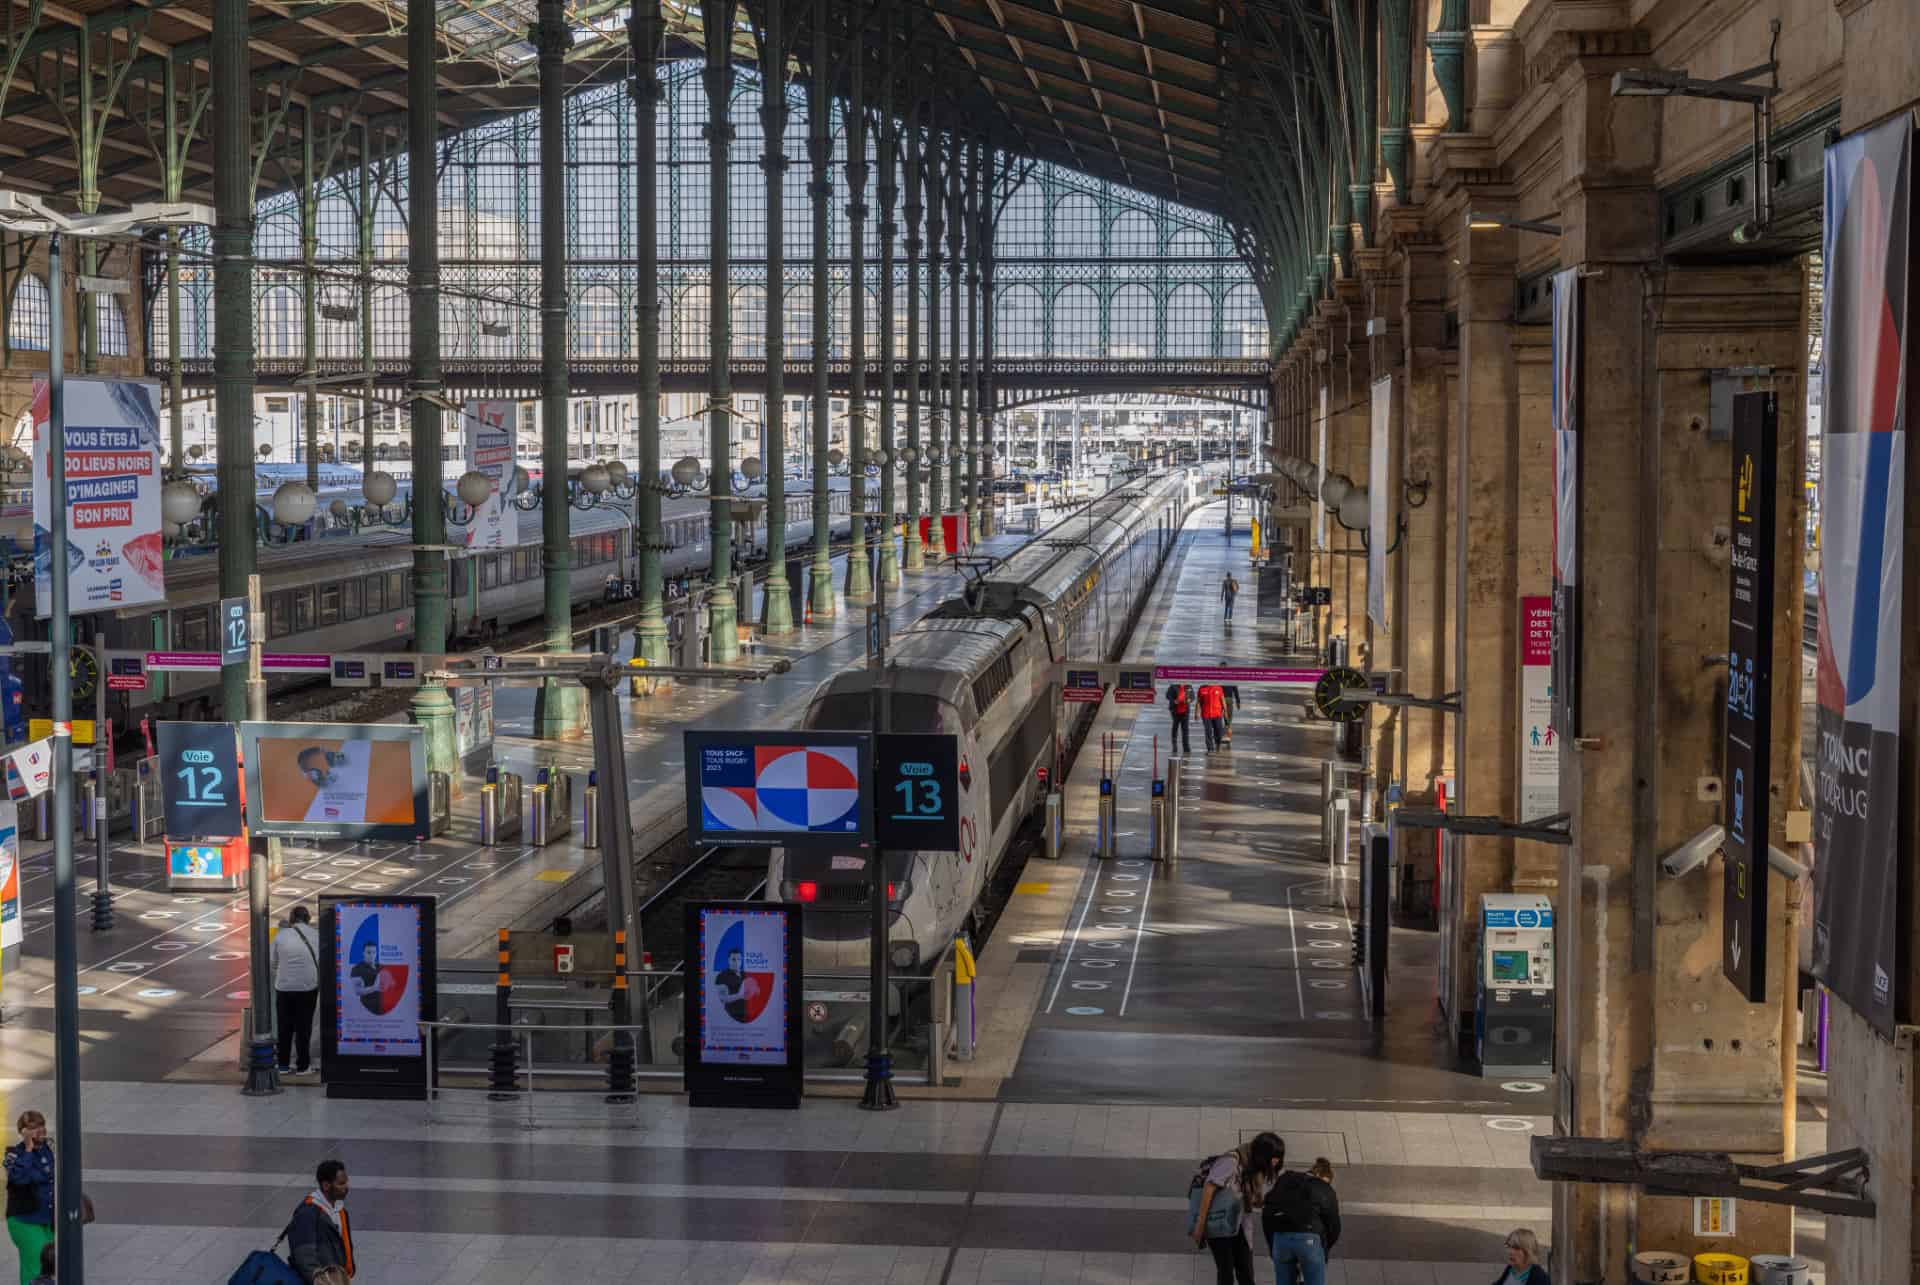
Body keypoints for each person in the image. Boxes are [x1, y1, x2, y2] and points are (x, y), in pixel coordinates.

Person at [1189, 1132, 1283, 1285]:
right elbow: (1209, 1187)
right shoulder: (1231, 1161)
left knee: (1246, 1272)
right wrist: (1200, 1226)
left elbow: (1248, 1200)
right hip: (1220, 1223)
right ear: (1262, 1155)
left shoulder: (1253, 1168)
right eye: (1271, 1161)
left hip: (1238, 1224)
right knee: (1226, 1273)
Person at [1264, 1156, 1341, 1285]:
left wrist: (1273, 1246)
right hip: (1310, 1241)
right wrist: (1324, 1251)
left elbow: (1267, 1212)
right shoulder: (1325, 1189)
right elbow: (1334, 1227)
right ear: (1321, 1176)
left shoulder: (1286, 1179)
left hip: (1281, 1239)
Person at [3, 1112, 52, 1285]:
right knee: (37, 1266)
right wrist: (28, 1148)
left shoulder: (49, 1150)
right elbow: (20, 1178)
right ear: (23, 1132)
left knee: (50, 1265)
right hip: (25, 1220)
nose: (39, 1131)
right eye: (32, 1128)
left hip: (48, 1220)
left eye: (41, 1125)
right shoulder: (14, 1155)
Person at [287, 1160, 355, 1284]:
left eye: (346, 1182)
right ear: (326, 1185)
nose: (346, 1187)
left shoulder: (340, 1210)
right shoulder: (308, 1213)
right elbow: (304, 1254)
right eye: (341, 1183)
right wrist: (319, 1279)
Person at [273, 905, 321, 1076]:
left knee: (284, 1027)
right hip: (308, 987)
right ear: (308, 919)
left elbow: (273, 962)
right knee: (303, 1028)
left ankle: (283, 1065)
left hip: (284, 987)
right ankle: (303, 1066)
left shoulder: (280, 935)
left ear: (292, 918)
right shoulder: (316, 935)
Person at [349, 942, 387, 1015]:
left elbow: (392, 984)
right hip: (368, 1009)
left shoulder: (382, 967)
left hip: (384, 1007)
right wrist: (374, 987)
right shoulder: (357, 969)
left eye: (374, 952)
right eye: (369, 952)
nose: (372, 955)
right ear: (363, 953)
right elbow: (357, 991)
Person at [1199, 683, 1228, 752]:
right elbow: (1199, 701)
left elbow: (1222, 700)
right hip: (1206, 714)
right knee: (1208, 731)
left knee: (1218, 730)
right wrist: (1197, 712)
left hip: (1217, 714)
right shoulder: (1202, 689)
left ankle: (1218, 744)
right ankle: (1210, 748)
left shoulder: (1218, 688)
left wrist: (1225, 711)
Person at [1165, 683, 1193, 755]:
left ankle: (1186, 747)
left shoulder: (1189, 686)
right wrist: (1174, 700)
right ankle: (1174, 746)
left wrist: (1189, 700)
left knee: (1185, 729)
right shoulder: (1173, 686)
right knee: (1175, 727)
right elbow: (1168, 696)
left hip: (1185, 711)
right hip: (1175, 710)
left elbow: (1192, 696)